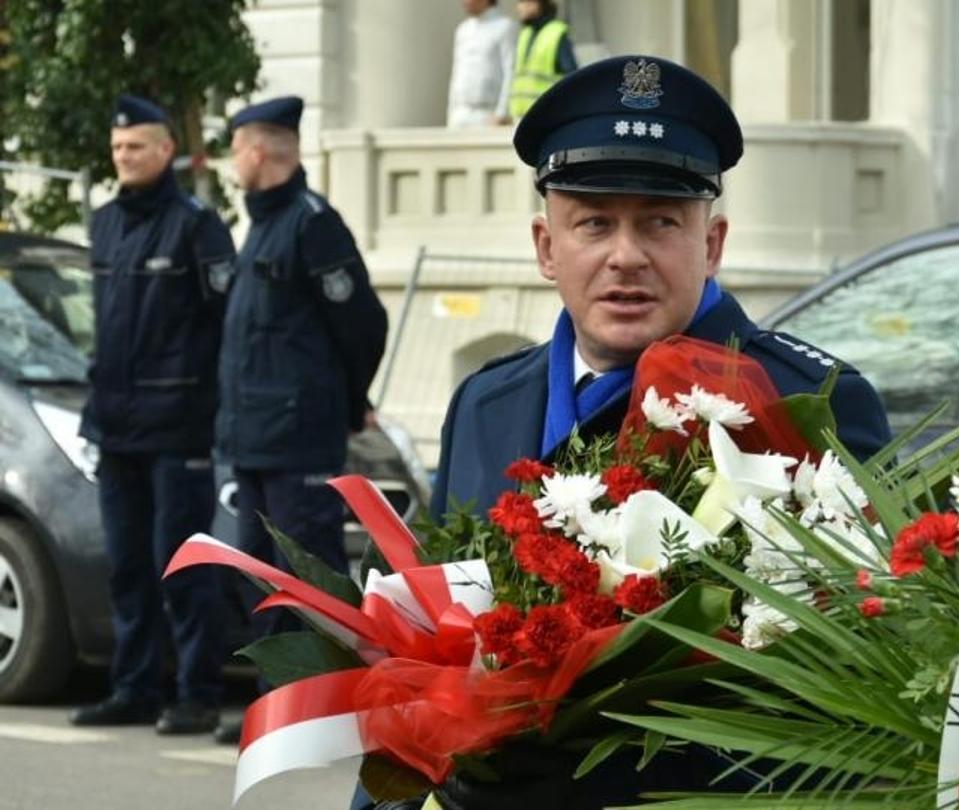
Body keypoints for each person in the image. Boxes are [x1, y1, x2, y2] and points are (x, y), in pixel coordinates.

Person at [349, 55, 890, 810]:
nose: (626, 255)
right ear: (547, 247)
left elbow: (863, 717)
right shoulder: (486, 402)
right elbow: (426, 655)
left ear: (713, 244)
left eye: (660, 222)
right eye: (595, 222)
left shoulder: (806, 405)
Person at [215, 96, 389, 743]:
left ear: (258, 151)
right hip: (254, 440)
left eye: (235, 148)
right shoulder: (260, 225)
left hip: (299, 439)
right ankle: (276, 705)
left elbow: (363, 323)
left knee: (307, 579)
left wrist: (347, 404)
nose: (233, 160)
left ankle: (316, 708)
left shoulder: (312, 224)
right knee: (261, 579)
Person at [68, 95, 233, 736]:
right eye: (116, 149)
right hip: (114, 425)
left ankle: (196, 693)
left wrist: (213, 411)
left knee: (182, 565)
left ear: (165, 150)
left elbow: (224, 323)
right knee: (127, 566)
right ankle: (132, 687)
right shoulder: (104, 223)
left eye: (135, 147)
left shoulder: (197, 224)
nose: (123, 157)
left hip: (178, 426)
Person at [447, 0, 516, 127]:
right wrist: (451, 113)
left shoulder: (505, 27)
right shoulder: (463, 30)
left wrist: (502, 112)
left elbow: (511, 70)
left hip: (488, 114)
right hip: (460, 114)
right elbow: (456, 74)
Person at [507, 0, 578, 121]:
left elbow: (572, 78)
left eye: (523, 2)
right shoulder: (526, 33)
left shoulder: (556, 33)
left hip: (547, 117)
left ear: (537, 4)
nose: (519, 8)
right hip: (520, 117)